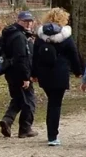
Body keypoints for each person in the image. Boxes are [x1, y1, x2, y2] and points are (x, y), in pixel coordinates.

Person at [32, 8, 82, 147]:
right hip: (60, 73)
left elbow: (35, 56)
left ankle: (51, 133)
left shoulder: (40, 36)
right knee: (55, 104)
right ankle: (52, 135)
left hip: (44, 74)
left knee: (52, 102)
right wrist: (78, 71)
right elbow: (74, 54)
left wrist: (34, 73)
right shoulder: (66, 36)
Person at [0, 10, 37, 139]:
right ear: (19, 21)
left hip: (9, 71)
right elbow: (22, 57)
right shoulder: (19, 36)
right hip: (19, 72)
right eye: (25, 21)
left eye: (30, 21)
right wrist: (26, 77)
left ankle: (7, 120)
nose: (28, 23)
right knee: (29, 101)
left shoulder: (9, 33)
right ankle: (25, 128)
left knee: (18, 99)